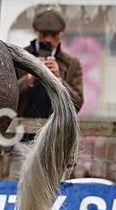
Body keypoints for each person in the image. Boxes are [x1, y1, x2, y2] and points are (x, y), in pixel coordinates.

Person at [8, 9, 85, 179]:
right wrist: (29, 79)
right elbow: (7, 97)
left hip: (58, 141)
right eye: (44, 35)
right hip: (22, 140)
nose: (49, 40)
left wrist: (59, 79)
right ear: (36, 32)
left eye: (54, 35)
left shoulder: (72, 64)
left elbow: (78, 103)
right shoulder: (18, 58)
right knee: (17, 191)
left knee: (55, 195)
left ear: (62, 33)